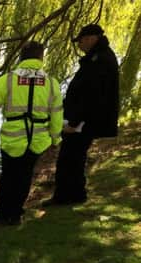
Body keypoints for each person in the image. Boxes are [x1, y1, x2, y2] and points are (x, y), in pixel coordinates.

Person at [0, 41, 63, 225]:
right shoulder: (51, 83)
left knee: (8, 177)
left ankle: (3, 216)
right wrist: (55, 138)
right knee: (25, 176)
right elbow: (57, 113)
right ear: (40, 58)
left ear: (21, 57)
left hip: (12, 140)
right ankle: (16, 214)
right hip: (37, 140)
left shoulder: (9, 79)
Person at [44, 24, 119, 206]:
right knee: (74, 158)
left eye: (81, 40)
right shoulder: (99, 57)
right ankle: (76, 194)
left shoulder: (100, 60)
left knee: (68, 158)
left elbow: (92, 96)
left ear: (92, 38)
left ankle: (63, 197)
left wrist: (75, 122)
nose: (79, 45)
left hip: (84, 121)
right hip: (84, 119)